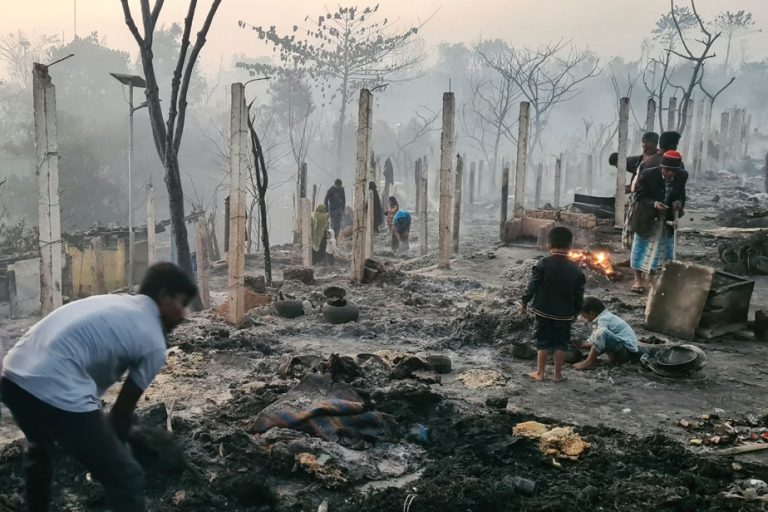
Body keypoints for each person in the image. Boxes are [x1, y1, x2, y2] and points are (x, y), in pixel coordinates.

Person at [1, 262, 197, 512]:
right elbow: (120, 414)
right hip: (54, 387)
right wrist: (130, 443)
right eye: (182, 303)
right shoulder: (153, 340)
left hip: (13, 377)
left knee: (41, 450)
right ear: (164, 296)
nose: (184, 314)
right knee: (126, 477)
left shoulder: (116, 303)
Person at [520, 227, 586, 383]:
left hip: (543, 311)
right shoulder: (576, 269)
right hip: (565, 313)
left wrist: (524, 301)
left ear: (548, 244)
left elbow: (533, 285)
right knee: (561, 343)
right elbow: (579, 294)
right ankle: (557, 375)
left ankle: (540, 373)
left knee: (542, 341)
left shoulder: (543, 263)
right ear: (570, 246)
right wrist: (576, 312)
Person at [630, 150, 688, 291]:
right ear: (662, 167)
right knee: (641, 248)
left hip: (666, 218)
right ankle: (638, 280)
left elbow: (681, 194)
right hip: (647, 215)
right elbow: (639, 197)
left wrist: (679, 202)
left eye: (674, 171)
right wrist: (654, 204)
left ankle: (653, 278)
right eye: (667, 170)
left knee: (661, 251)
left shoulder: (682, 175)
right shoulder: (649, 174)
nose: (670, 174)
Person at [611, 132, 660, 254]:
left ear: (655, 144)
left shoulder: (656, 161)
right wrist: (630, 188)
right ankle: (632, 256)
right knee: (631, 227)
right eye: (643, 142)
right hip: (637, 198)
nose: (644, 145)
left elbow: (649, 182)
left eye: (647, 142)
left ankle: (640, 256)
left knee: (641, 229)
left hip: (648, 200)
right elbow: (632, 170)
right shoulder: (641, 159)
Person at [573, 296, 638, 370]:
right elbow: (594, 341)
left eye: (583, 316)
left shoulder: (603, 319)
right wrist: (581, 345)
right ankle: (598, 359)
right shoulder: (601, 318)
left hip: (626, 351)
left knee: (602, 332)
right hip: (621, 349)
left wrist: (582, 345)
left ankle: (589, 362)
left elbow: (599, 338)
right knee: (598, 337)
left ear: (592, 314)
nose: (583, 318)